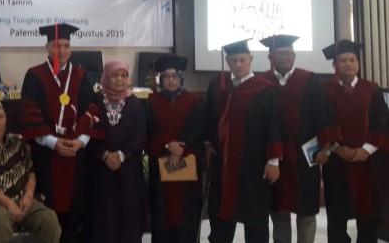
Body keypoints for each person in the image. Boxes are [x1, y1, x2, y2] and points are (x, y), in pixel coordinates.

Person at [20, 23, 103, 243]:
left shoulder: (80, 75)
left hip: (76, 156)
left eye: (66, 45)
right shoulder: (34, 75)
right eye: (57, 46)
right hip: (46, 156)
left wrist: (81, 141)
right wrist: (53, 142)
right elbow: (30, 115)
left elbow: (91, 112)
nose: (62, 51)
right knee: (49, 215)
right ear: (47, 47)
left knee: (74, 216)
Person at [259, 34, 341, 243]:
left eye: (288, 53)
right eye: (279, 54)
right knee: (278, 211)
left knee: (306, 211)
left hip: (305, 155)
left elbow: (323, 114)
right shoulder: (262, 82)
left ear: (294, 56)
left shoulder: (309, 79)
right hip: (275, 156)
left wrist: (326, 148)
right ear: (270, 57)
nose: (284, 57)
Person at [204, 39, 287, 243]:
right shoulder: (218, 86)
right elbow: (208, 116)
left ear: (251, 59)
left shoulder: (265, 90)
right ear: (227, 61)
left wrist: (274, 161)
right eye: (234, 60)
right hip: (224, 164)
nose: (238, 64)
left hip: (254, 165)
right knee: (221, 218)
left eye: (242, 60)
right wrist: (207, 143)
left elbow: (275, 125)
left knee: (255, 219)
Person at [320, 39, 389, 243]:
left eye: (352, 60)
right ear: (335, 65)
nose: (348, 64)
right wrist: (336, 148)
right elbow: (320, 121)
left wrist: (366, 150)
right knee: (337, 216)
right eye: (343, 60)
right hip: (337, 161)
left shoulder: (371, 89)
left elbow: (382, 122)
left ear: (358, 64)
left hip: (368, 161)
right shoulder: (324, 90)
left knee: (368, 212)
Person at [0, 99, 61, 243]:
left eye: (1, 117)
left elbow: (31, 173)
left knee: (49, 219)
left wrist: (29, 195)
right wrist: (9, 203)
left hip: (23, 199)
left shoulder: (16, 142)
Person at [86, 59, 146, 243]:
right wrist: (105, 155)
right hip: (100, 171)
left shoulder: (135, 103)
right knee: (103, 221)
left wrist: (120, 155)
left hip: (128, 171)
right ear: (106, 77)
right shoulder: (95, 101)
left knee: (128, 221)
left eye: (124, 75)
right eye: (114, 75)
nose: (119, 79)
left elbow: (139, 135)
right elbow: (88, 133)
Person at [146, 55, 204, 243]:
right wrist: (167, 144)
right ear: (161, 79)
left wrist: (180, 149)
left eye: (174, 76)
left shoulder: (195, 101)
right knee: (161, 215)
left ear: (181, 78)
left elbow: (197, 130)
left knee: (186, 216)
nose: (170, 80)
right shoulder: (152, 102)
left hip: (187, 166)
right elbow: (150, 129)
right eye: (166, 76)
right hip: (161, 166)